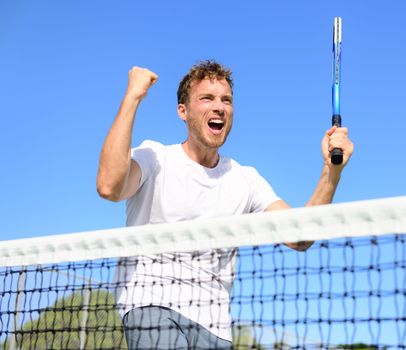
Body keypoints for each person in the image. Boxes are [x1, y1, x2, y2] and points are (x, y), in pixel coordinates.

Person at [96, 60, 353, 349]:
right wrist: (133, 96)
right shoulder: (155, 157)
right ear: (183, 110)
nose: (219, 107)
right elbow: (108, 185)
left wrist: (332, 172)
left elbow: (299, 236)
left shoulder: (246, 179)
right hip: (152, 305)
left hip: (215, 327)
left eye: (226, 100)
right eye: (207, 98)